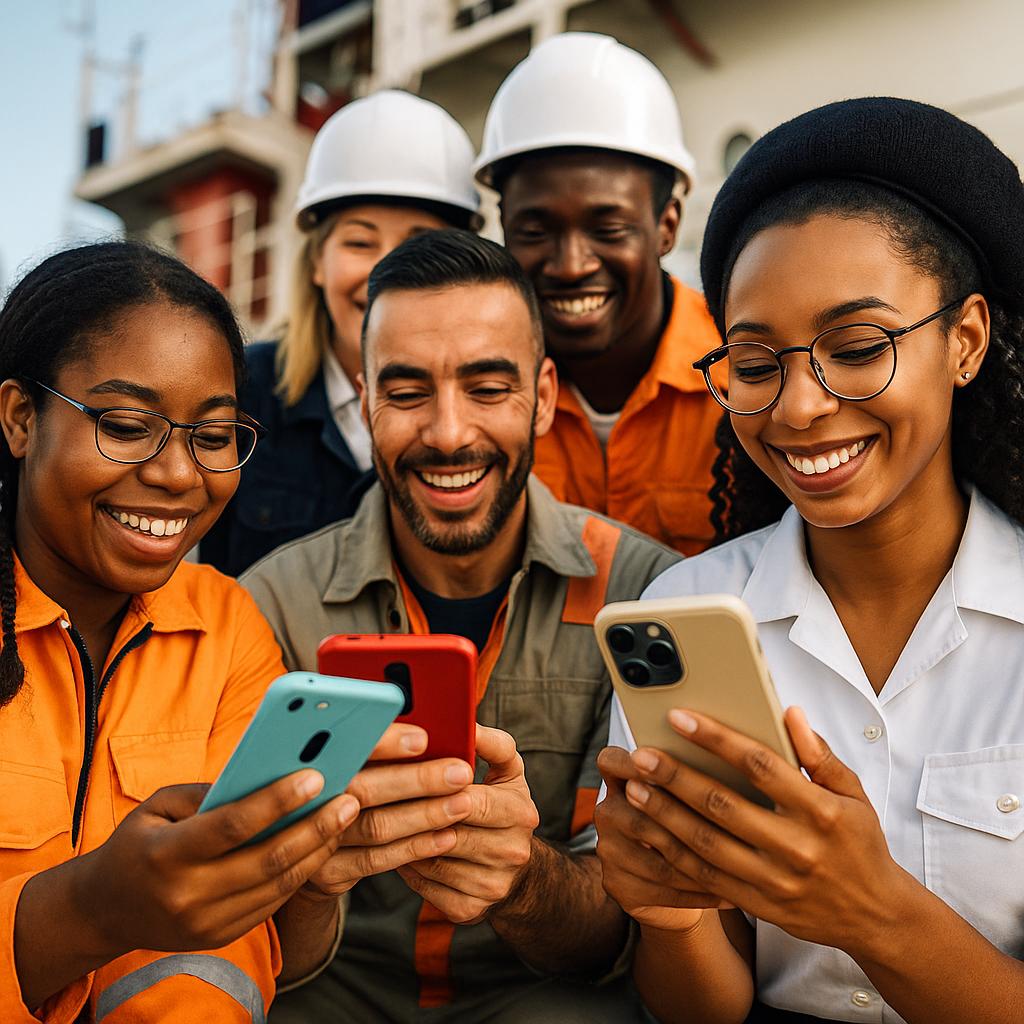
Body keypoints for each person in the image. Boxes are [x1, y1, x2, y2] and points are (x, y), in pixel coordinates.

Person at [595, 97, 1024, 1023]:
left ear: (967, 341)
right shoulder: (693, 612)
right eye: (754, 364)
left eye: (858, 347)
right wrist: (668, 918)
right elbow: (704, 1008)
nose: (796, 407)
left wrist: (873, 914)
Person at [242, 229, 680, 1021]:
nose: (448, 433)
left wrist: (522, 879)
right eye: (407, 392)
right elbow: (256, 949)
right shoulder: (269, 604)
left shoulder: (644, 596)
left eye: (486, 387)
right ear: (364, 399)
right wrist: (305, 875)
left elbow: (615, 943)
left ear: (544, 396)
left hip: (545, 999)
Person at [0, 240, 378, 1022]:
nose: (179, 475)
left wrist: (308, 872)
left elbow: (276, 956)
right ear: (19, 418)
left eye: (213, 437)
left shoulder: (229, 627)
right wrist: (88, 912)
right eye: (129, 425)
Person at [201, 90, 481, 576]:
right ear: (316, 263)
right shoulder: (241, 393)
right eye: (359, 241)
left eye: (420, 244)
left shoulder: (489, 410)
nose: (384, 272)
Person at [474, 32, 722, 555]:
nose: (569, 266)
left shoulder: (743, 379)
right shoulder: (473, 394)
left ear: (667, 226)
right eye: (535, 232)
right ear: (503, 225)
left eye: (608, 229)